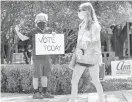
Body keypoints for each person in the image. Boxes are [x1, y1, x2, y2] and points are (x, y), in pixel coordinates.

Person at [68, 2, 105, 102]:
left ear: (87, 11)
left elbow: (96, 43)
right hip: (81, 57)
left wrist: (83, 49)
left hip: (92, 58)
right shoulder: (82, 24)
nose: (79, 12)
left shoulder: (95, 26)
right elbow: (79, 42)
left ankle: (102, 100)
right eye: (79, 10)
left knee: (96, 81)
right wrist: (76, 54)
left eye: (81, 10)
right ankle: (72, 100)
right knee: (74, 80)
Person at [15, 13, 54, 99]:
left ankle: (45, 92)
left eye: (43, 20)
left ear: (46, 21)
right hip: (37, 57)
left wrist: (55, 35)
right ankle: (36, 93)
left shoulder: (49, 30)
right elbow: (23, 38)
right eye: (40, 20)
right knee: (36, 75)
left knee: (45, 75)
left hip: (47, 57)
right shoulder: (33, 31)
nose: (42, 21)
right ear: (36, 21)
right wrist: (17, 31)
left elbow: (54, 40)